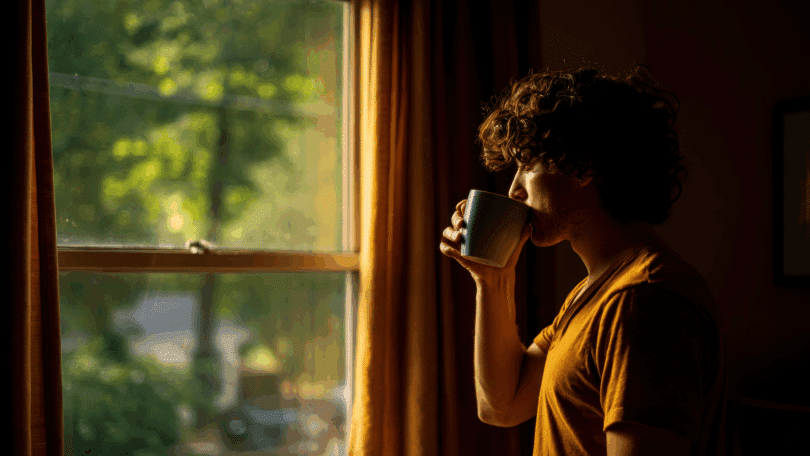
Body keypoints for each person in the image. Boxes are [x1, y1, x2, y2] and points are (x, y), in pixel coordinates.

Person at [439, 64, 727, 455]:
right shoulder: (594, 293)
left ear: (582, 166)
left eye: (527, 165)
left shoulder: (644, 300)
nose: (514, 190)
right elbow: (501, 406)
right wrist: (492, 278)